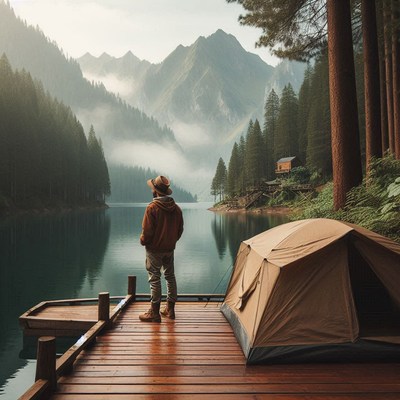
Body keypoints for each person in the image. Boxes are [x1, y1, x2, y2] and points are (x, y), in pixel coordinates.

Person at [139, 175, 184, 322]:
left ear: (156, 191)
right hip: (169, 249)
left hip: (154, 250)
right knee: (170, 276)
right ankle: (170, 310)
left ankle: (154, 312)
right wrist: (170, 241)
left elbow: (147, 232)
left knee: (154, 278)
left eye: (152, 189)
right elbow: (180, 230)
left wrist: (143, 241)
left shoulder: (152, 208)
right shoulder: (176, 209)